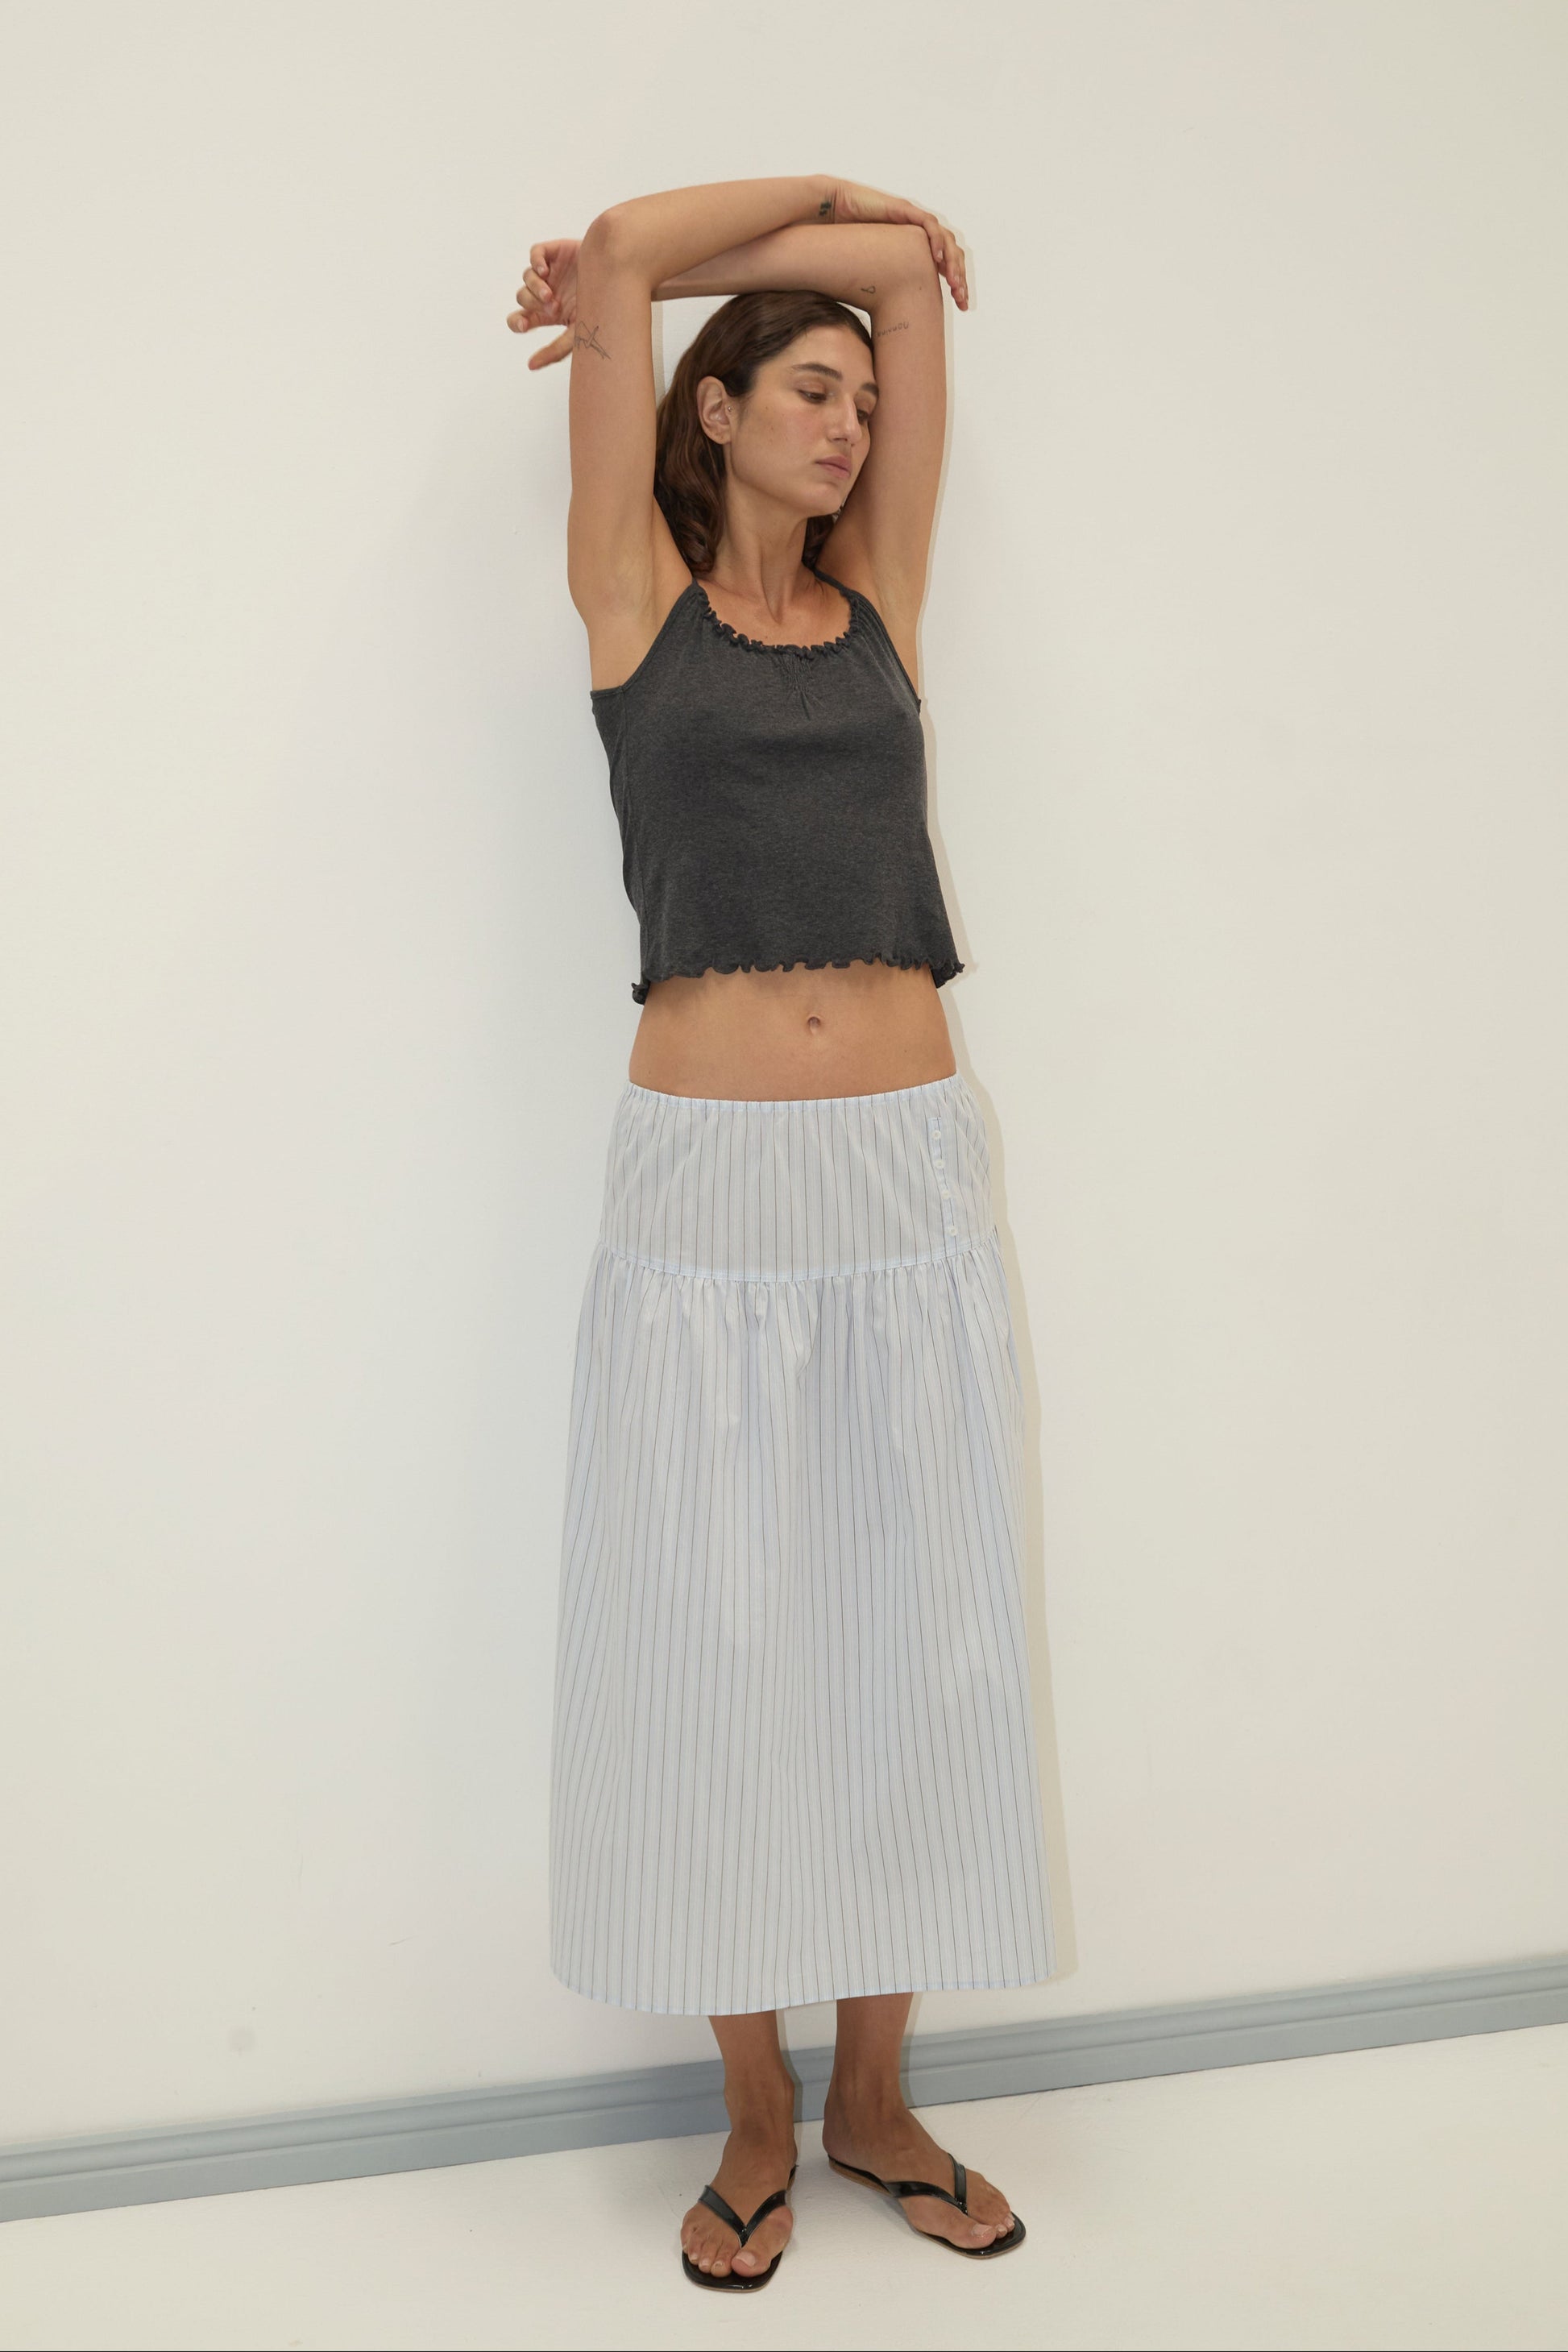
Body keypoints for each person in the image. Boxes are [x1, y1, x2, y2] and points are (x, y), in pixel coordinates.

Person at [507, 172, 1056, 2292]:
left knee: (915, 1626)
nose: (844, 425)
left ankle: (879, 2095)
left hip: (905, 1173)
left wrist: (864, 250)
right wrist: (815, 210)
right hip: (705, 1198)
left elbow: (918, 287)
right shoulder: (630, 604)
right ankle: (752, 2109)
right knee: (712, 1644)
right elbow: (625, 265)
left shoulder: (888, 599)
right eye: (802, 392)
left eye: (855, 398)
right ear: (712, 416)